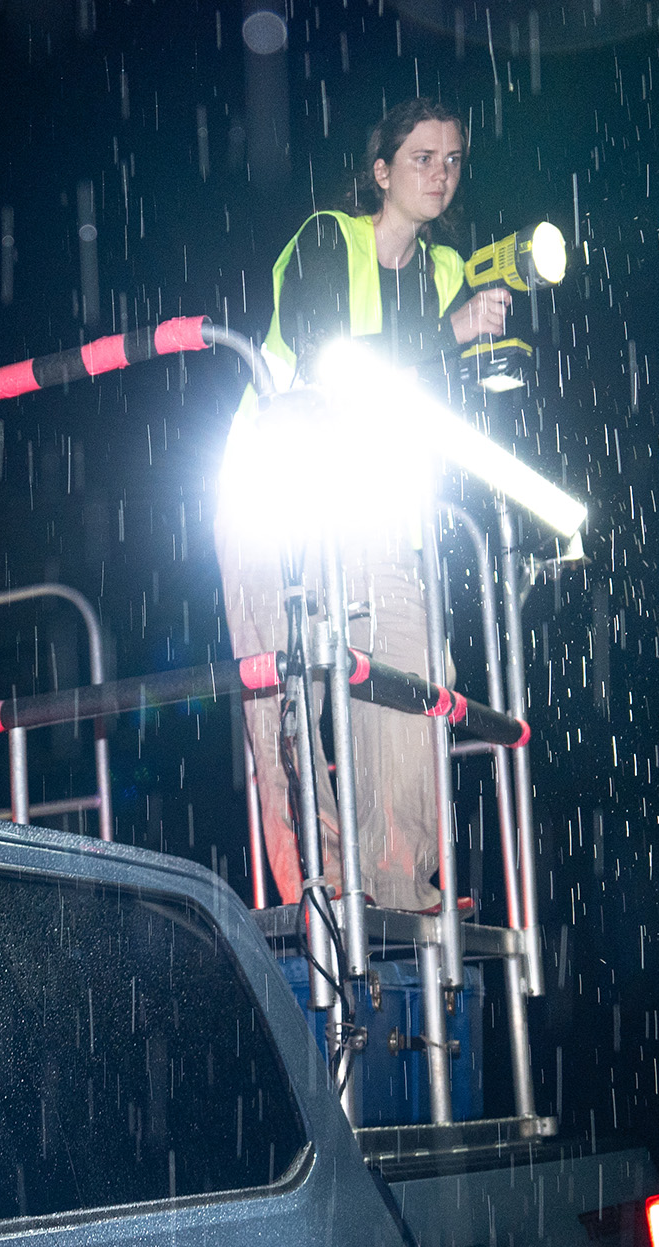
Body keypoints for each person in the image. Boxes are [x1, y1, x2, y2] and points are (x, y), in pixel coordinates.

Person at [218, 98, 512, 913]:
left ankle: (396, 879)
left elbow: (448, 383)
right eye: (423, 157)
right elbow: (324, 353)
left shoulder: (448, 269)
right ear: (381, 172)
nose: (441, 174)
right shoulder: (326, 237)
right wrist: (450, 334)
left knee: (412, 669)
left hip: (367, 487)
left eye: (453, 159)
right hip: (271, 480)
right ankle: (319, 882)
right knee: (282, 686)